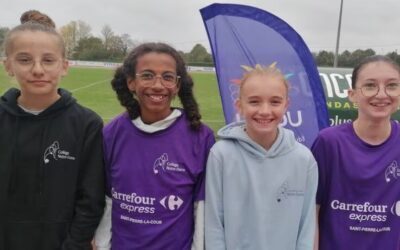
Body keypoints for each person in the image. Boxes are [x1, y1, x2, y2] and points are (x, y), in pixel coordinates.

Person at [0, 10, 105, 250]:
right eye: (24, 60)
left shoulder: (87, 124)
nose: (38, 69)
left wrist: (74, 245)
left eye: (48, 60)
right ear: (8, 65)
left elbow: (90, 200)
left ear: (64, 66)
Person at [94, 42, 215, 250]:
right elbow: (108, 200)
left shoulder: (200, 137)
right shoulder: (112, 133)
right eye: (147, 75)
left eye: (167, 77)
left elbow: (201, 207)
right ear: (131, 82)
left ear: (177, 85)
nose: (158, 85)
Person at [205, 63, 318, 250]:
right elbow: (214, 223)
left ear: (286, 105)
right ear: (239, 105)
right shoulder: (221, 155)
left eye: (275, 102)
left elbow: (306, 226)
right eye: (254, 101)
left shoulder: (304, 159)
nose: (265, 111)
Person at [311, 55, 400, 250]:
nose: (382, 94)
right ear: (352, 95)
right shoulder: (329, 142)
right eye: (370, 86)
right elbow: (312, 212)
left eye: (392, 86)